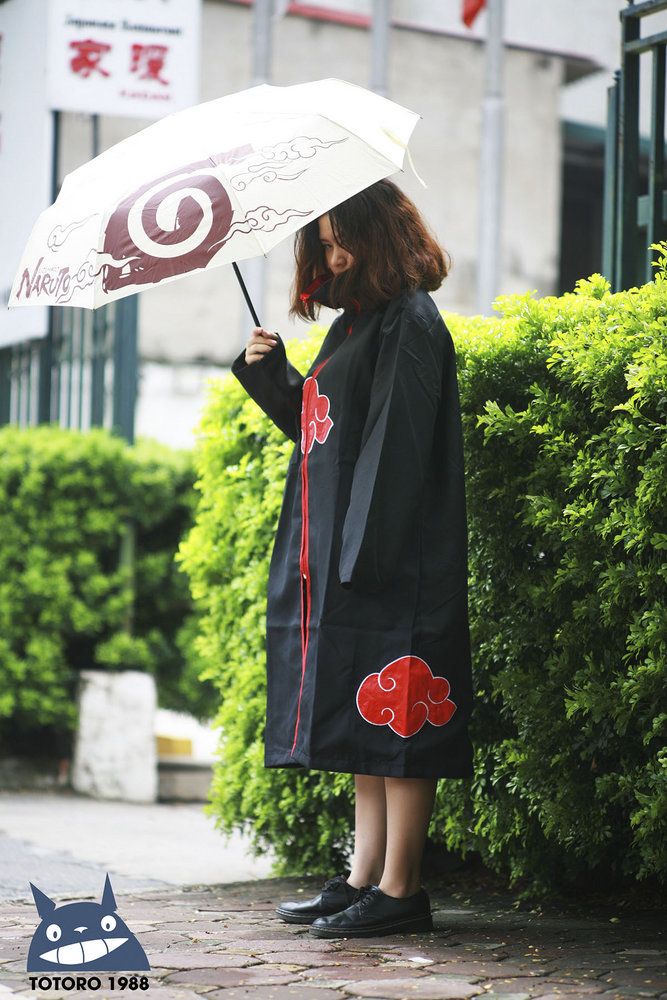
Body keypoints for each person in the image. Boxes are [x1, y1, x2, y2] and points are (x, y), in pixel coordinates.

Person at [231, 178, 474, 939]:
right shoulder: (357, 325)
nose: (331, 257)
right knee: (371, 725)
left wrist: (361, 559)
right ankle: (362, 878)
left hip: (390, 561)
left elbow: (397, 450)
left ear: (381, 235)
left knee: (400, 723)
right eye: (323, 244)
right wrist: (272, 375)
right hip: (356, 556)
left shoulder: (409, 321)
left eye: (342, 241)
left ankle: (400, 889)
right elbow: (324, 438)